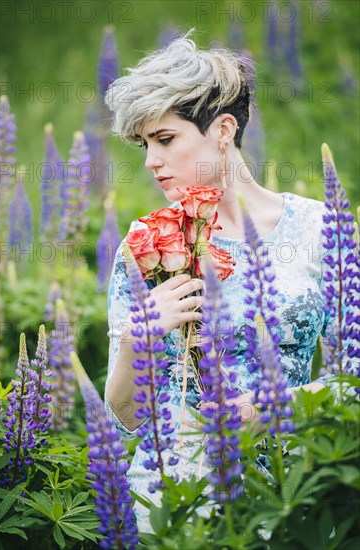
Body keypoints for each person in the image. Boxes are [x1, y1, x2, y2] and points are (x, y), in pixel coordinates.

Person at [104, 32, 338, 533]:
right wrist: (136, 338)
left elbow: (354, 374)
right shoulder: (144, 245)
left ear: (224, 129)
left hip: (290, 493)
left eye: (165, 139)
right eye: (144, 144)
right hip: (172, 504)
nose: (151, 161)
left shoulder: (321, 228)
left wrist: (274, 408)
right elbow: (125, 414)